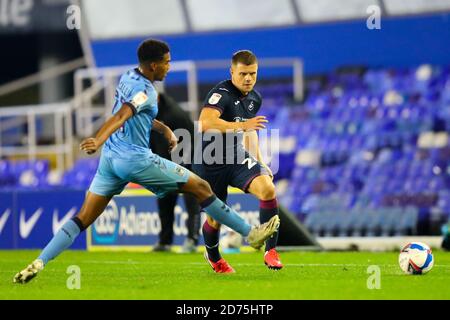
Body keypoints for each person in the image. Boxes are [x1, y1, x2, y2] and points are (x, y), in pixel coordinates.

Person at [13, 39, 280, 284]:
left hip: (110, 162)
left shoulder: (128, 77)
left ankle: (39, 261)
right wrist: (97, 138)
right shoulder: (148, 93)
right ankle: (250, 233)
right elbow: (122, 114)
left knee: (83, 218)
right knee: (201, 187)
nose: (169, 66)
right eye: (166, 62)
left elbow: (134, 113)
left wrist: (163, 130)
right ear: (154, 65)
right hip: (134, 159)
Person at [193, 50, 283, 273]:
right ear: (232, 72)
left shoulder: (254, 99)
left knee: (268, 189)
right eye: (243, 74)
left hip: (236, 157)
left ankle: (270, 252)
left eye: (253, 74)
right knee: (215, 220)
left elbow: (250, 131)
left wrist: (260, 163)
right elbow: (205, 123)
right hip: (209, 162)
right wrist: (241, 126)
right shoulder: (221, 94)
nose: (248, 79)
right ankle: (213, 256)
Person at [151, 92, 200, 253]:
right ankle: (165, 242)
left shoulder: (175, 114)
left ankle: (191, 240)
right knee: (164, 202)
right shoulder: (148, 115)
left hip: (186, 164)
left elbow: (192, 140)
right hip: (164, 166)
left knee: (191, 201)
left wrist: (185, 168)